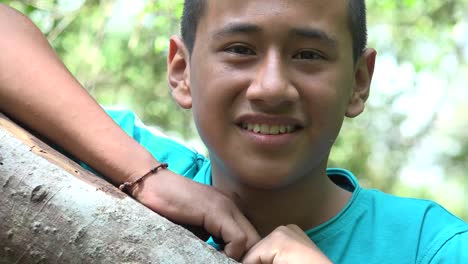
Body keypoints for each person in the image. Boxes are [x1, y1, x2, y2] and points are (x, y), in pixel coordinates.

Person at [0, 0, 467, 263]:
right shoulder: (116, 161)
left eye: (308, 55)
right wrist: (148, 177)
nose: (271, 88)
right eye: (240, 49)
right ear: (181, 70)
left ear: (358, 82)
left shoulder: (430, 245)